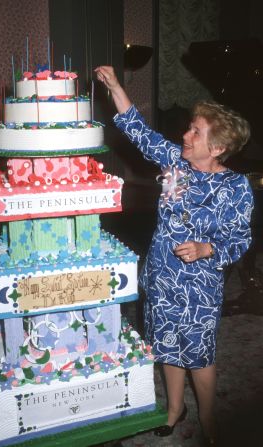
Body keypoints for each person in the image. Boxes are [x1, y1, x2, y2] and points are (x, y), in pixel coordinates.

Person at [95, 66, 254, 446]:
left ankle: (210, 418)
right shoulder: (175, 162)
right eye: (189, 127)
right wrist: (116, 86)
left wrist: (207, 248)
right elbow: (138, 130)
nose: (185, 134)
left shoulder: (236, 188)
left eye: (195, 132)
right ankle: (174, 409)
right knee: (166, 346)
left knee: (198, 355)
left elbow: (241, 238)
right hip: (162, 274)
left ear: (216, 148)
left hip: (200, 285)